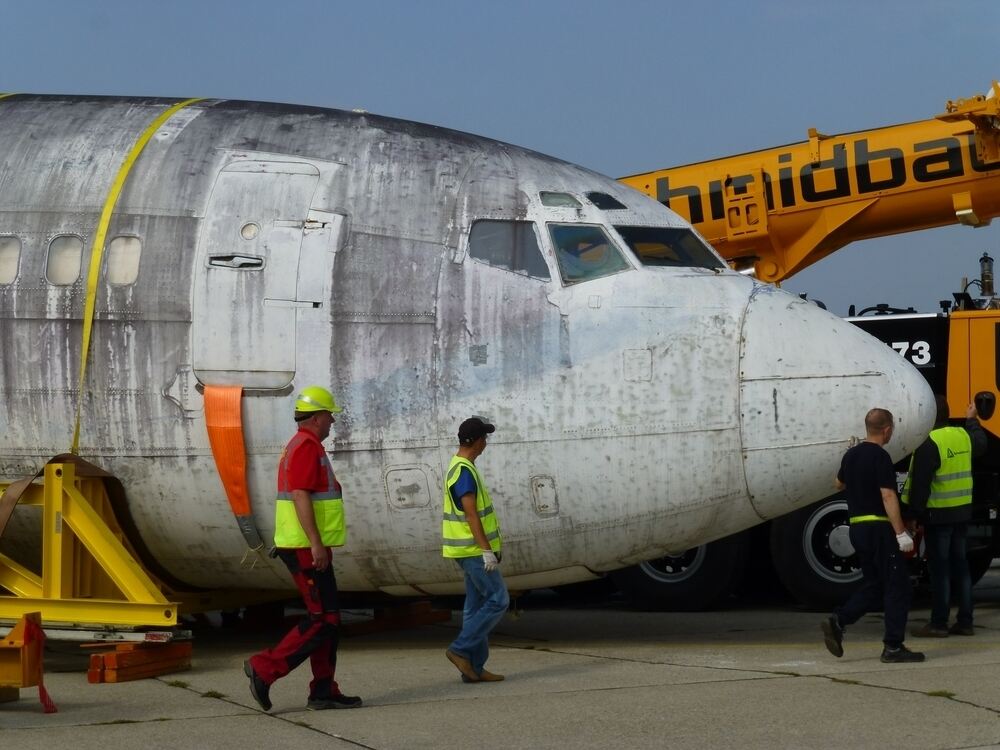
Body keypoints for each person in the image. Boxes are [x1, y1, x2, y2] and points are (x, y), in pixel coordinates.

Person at [243, 386, 362, 711]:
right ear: (317, 417)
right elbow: (300, 495)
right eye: (330, 415)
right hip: (305, 549)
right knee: (322, 619)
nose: (333, 421)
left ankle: (323, 690)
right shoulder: (306, 447)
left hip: (308, 547)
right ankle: (264, 669)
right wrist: (316, 543)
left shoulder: (305, 446)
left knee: (330, 619)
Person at [821, 408, 925, 663]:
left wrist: (854, 465)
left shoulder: (851, 455)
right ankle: (893, 646)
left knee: (876, 585)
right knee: (897, 585)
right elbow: (888, 495)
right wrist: (901, 533)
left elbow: (838, 484)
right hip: (879, 529)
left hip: (857, 529)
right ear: (887, 430)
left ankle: (840, 620)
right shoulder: (880, 457)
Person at [903, 395, 986, 637]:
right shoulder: (962, 436)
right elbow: (981, 444)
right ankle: (965, 621)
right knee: (961, 567)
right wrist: (972, 420)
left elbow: (921, 486)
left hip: (938, 517)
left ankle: (939, 623)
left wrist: (913, 516)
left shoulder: (929, 442)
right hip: (962, 512)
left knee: (940, 570)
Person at [442, 416, 509, 683]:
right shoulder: (463, 471)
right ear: (476, 441)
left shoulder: (460, 466)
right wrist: (486, 550)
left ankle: (475, 668)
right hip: (472, 551)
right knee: (498, 599)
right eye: (484, 438)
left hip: (467, 550)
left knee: (475, 607)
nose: (486, 444)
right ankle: (460, 649)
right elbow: (472, 515)